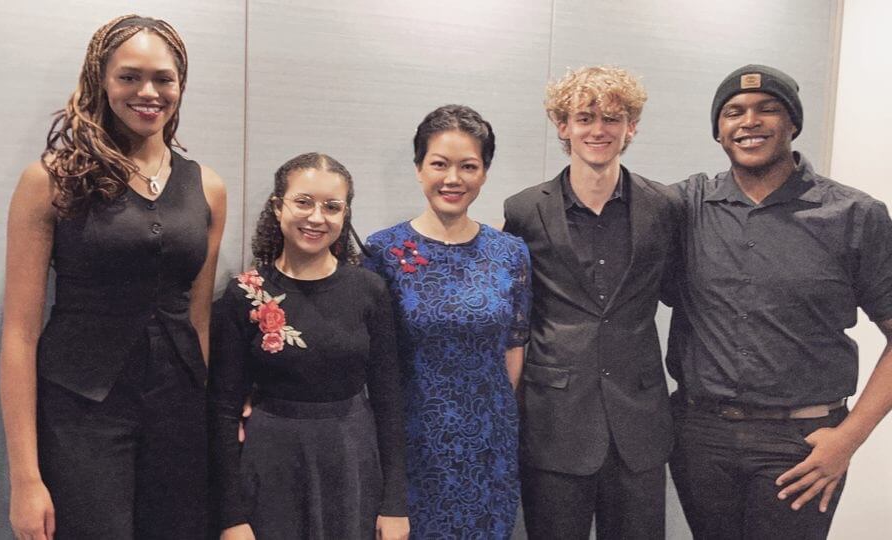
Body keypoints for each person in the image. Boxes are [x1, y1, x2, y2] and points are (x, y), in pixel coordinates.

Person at [0, 14, 226, 540]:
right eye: (129, 76)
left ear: (180, 86)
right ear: (100, 79)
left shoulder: (208, 187)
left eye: (163, 78)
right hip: (80, 413)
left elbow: (199, 321)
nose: (148, 92)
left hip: (178, 412)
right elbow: (18, 333)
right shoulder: (50, 180)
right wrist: (25, 479)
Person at [667, 64, 892, 539]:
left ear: (793, 123)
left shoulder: (854, 215)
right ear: (718, 131)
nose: (749, 121)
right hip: (700, 435)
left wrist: (848, 440)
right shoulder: (686, 208)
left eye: (768, 109)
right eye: (734, 112)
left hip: (803, 444)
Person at [502, 66, 679, 539]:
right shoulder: (522, 210)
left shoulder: (664, 207)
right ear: (563, 127)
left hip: (639, 423)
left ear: (631, 127)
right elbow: (511, 314)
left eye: (612, 118)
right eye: (584, 117)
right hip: (554, 421)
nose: (598, 129)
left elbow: (683, 294)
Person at [208, 153, 410, 540]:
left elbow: (388, 398)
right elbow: (221, 409)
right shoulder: (245, 294)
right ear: (277, 206)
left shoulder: (369, 291)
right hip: (271, 461)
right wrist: (230, 516)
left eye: (331, 207)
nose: (317, 218)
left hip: (352, 457)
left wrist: (395, 504)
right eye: (303, 202)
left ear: (345, 214)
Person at [363, 105, 532, 538]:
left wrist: (488, 413)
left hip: (489, 439)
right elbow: (370, 356)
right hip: (411, 440)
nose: (452, 178)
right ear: (419, 168)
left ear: (485, 173)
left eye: (468, 166)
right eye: (439, 164)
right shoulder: (383, 251)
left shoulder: (510, 253)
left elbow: (515, 345)